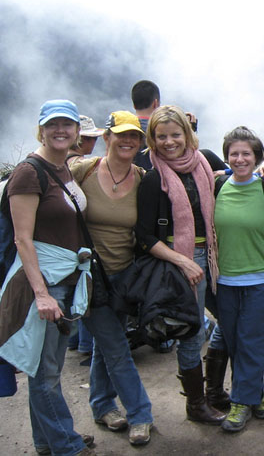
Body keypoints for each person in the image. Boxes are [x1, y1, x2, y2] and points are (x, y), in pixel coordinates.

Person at [0, 99, 96, 455]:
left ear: (76, 132)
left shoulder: (63, 169)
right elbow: (22, 238)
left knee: (47, 369)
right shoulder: (30, 172)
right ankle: (66, 445)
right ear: (40, 129)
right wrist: (41, 294)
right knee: (45, 374)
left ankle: (47, 442)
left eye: (67, 125)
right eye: (53, 124)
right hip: (43, 284)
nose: (61, 130)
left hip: (66, 280)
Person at [134, 105, 225, 424]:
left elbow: (239, 172)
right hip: (178, 262)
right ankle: (197, 404)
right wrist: (181, 261)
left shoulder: (204, 163)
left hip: (213, 256)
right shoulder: (153, 179)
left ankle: (213, 393)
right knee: (191, 330)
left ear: (187, 135)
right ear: (153, 139)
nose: (169, 142)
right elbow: (143, 235)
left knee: (227, 320)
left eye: (175, 135)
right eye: (161, 137)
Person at [69, 111, 154, 446]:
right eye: (121, 135)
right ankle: (140, 414)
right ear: (107, 138)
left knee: (109, 343)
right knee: (117, 346)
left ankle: (102, 404)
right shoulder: (83, 170)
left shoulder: (142, 178)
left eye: (134, 136)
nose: (128, 141)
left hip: (125, 276)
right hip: (89, 278)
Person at [212, 126, 264, 432]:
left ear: (257, 156)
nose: (240, 159)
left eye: (246, 153)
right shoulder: (217, 185)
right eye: (234, 153)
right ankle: (256, 394)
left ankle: (239, 403)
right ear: (226, 158)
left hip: (261, 278)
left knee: (254, 340)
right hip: (225, 280)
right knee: (235, 339)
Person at [66, 115, 104, 363]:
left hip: (66, 240)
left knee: (75, 289)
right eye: (91, 138)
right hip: (85, 238)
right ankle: (87, 345)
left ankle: (75, 340)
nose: (93, 143)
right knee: (88, 291)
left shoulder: (59, 165)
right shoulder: (86, 166)